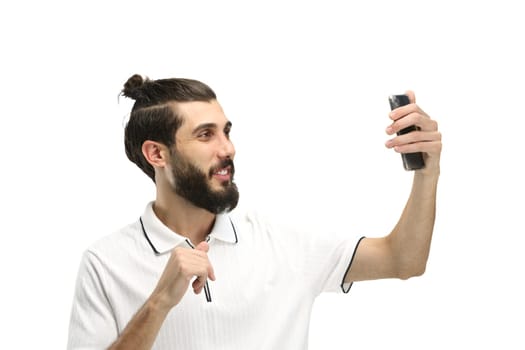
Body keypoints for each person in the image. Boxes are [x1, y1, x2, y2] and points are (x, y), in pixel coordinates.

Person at [67, 74, 441, 350]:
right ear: (157, 154)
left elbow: (403, 259)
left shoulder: (284, 243)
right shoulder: (105, 262)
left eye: (226, 132)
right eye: (205, 135)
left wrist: (427, 172)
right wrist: (160, 302)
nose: (227, 148)